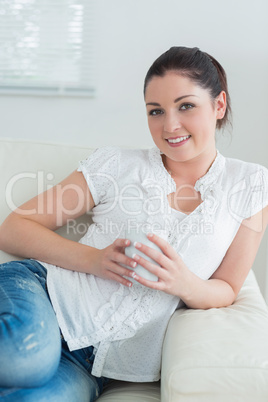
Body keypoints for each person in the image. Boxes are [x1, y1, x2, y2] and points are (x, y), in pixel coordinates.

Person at [0, 46, 267, 401]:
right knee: (26, 360)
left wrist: (183, 283)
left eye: (185, 105)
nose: (169, 125)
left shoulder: (249, 185)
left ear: (218, 105)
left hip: (92, 367)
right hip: (42, 297)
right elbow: (14, 227)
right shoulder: (117, 165)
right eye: (156, 111)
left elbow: (228, 287)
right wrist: (93, 260)